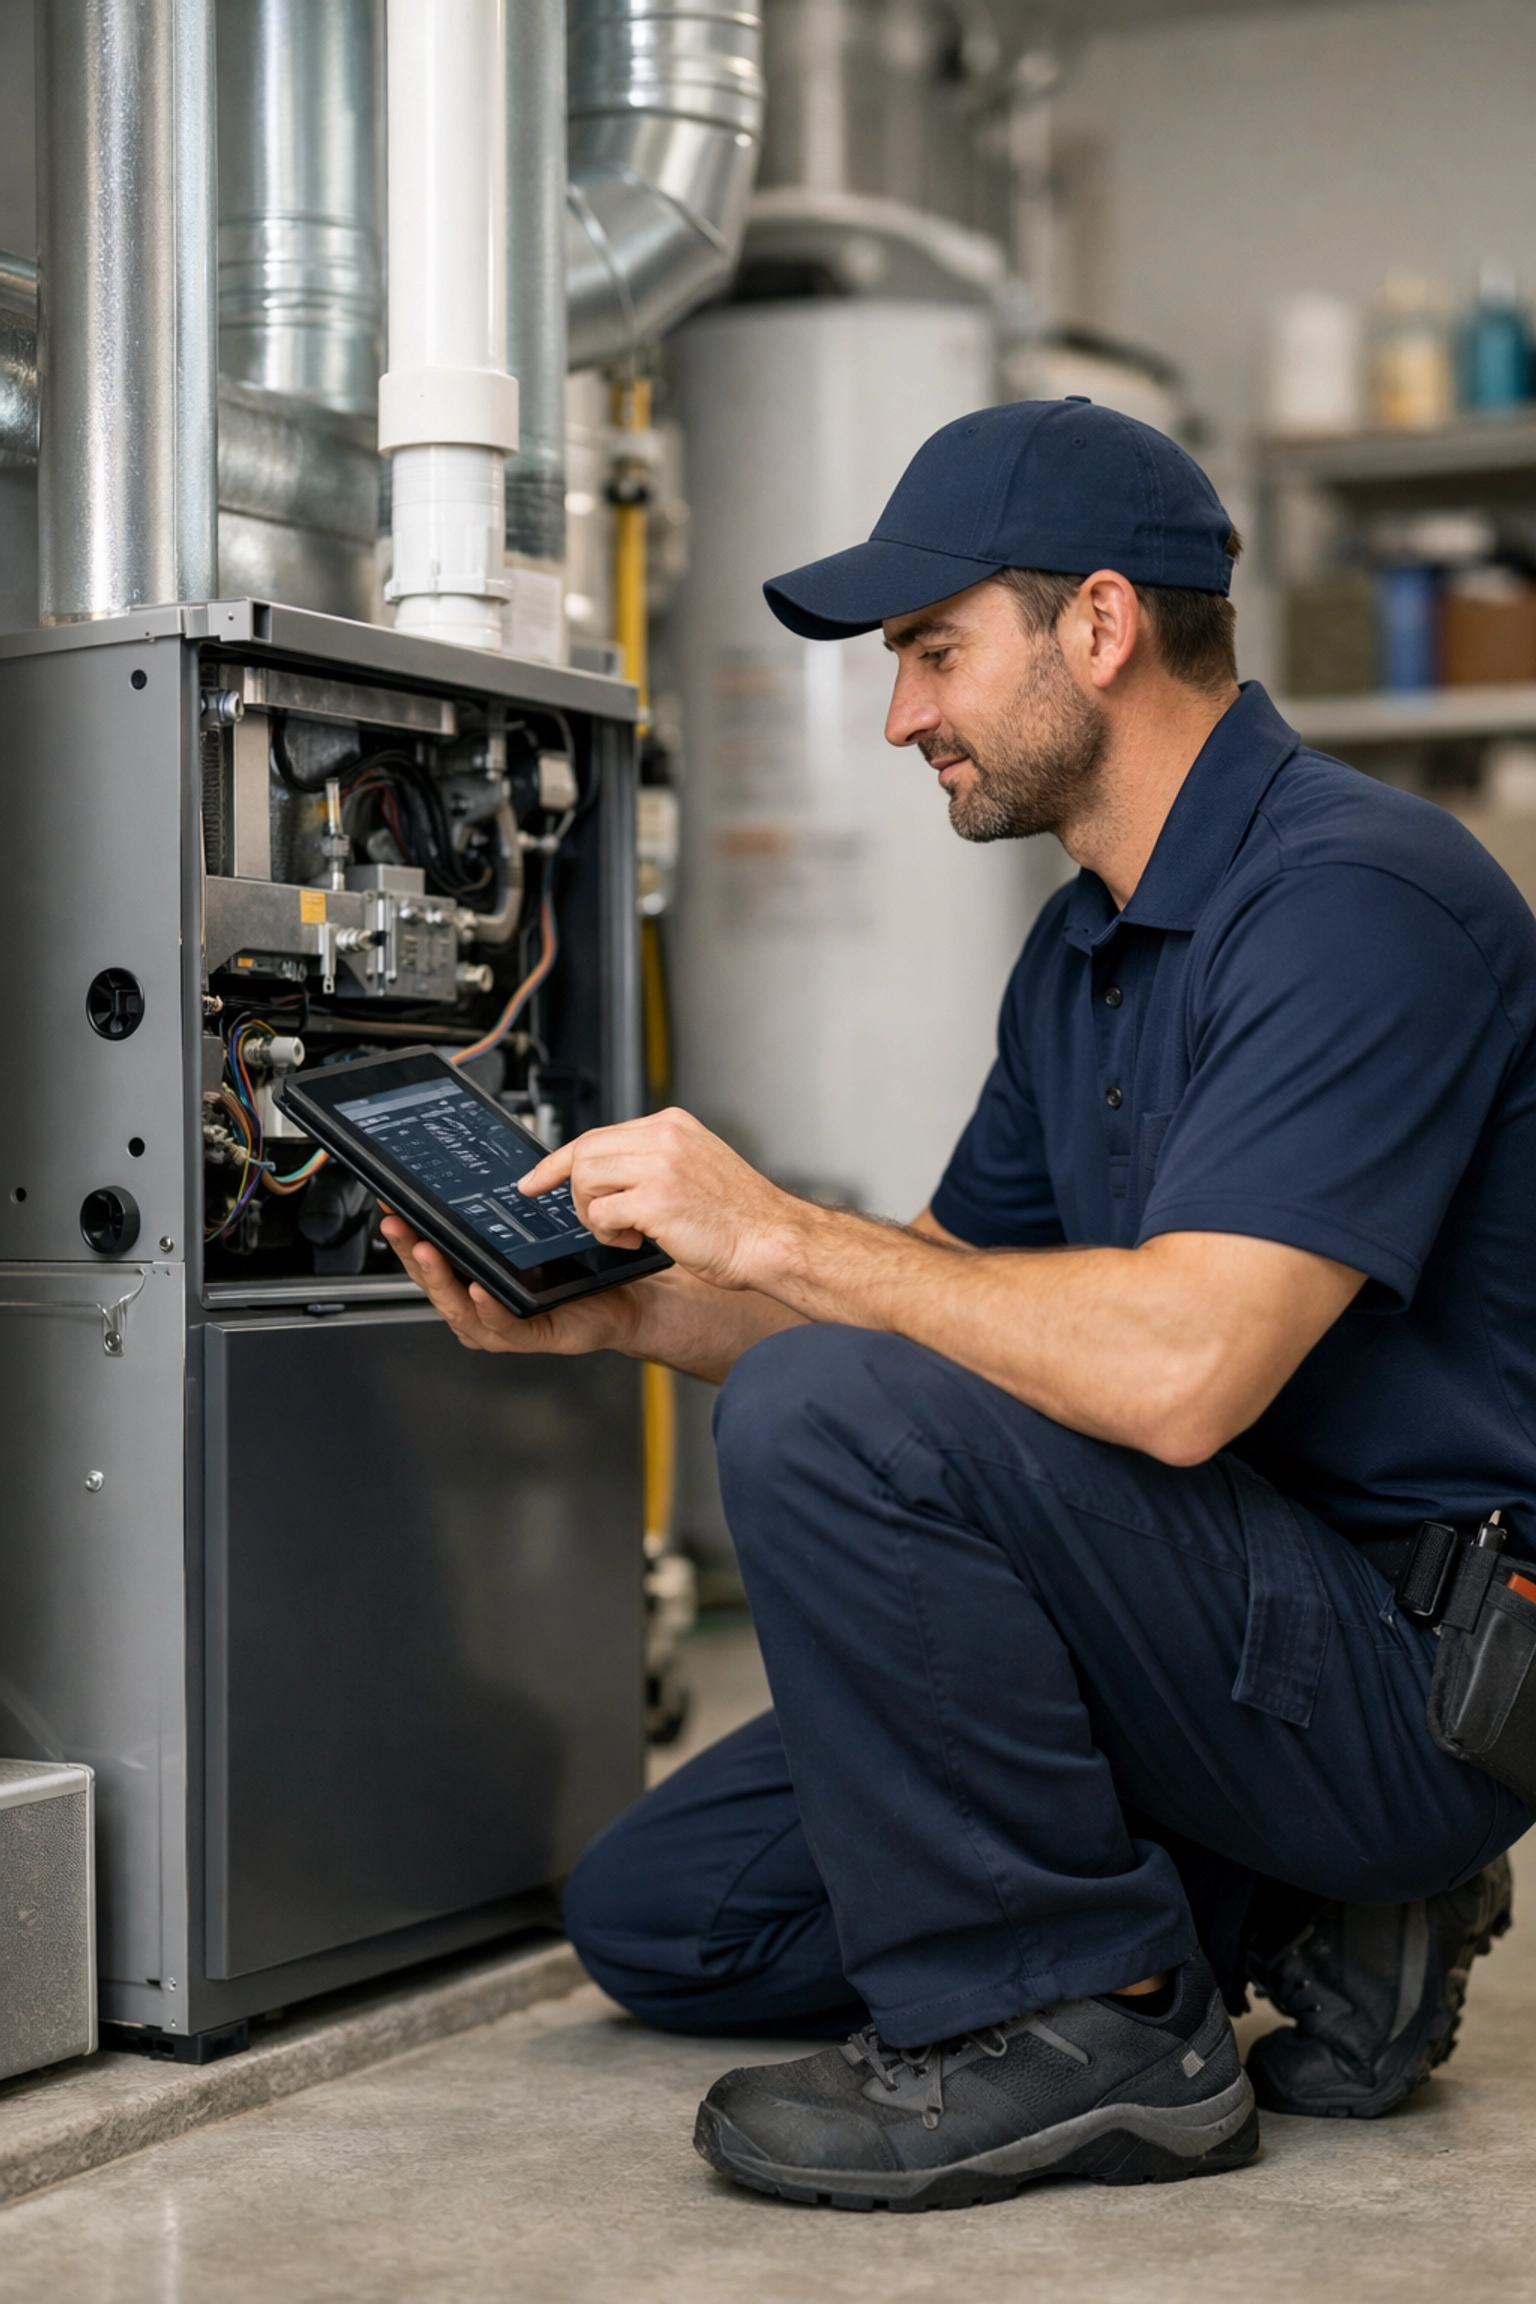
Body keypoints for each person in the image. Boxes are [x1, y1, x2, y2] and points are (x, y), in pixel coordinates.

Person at [385, 399, 1534, 2213]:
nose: (905, 715)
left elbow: (1180, 1373)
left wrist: (782, 1228)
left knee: (818, 1407)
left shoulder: (1364, 900)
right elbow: (914, 1328)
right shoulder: (1079, 955)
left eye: (932, 652)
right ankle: (1296, 1905)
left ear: (1098, 626)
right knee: (666, 1920)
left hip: (1394, 1678)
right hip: (1195, 1631)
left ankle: (1107, 2017)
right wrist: (634, 1315)